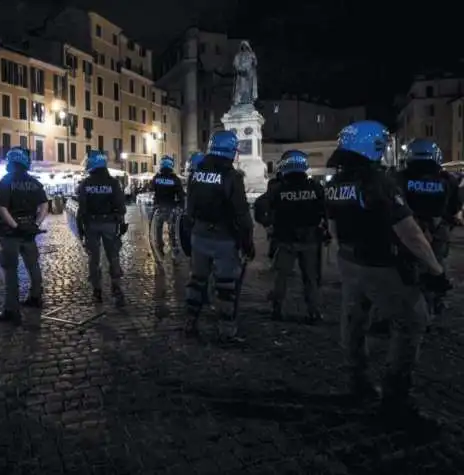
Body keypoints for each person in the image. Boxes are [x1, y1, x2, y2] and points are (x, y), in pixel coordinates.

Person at [325, 120, 451, 421]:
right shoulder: (377, 182)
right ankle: (395, 396)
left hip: (348, 260)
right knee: (412, 320)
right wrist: (435, 270)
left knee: (354, 321)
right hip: (381, 264)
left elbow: (332, 226)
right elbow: (409, 233)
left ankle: (358, 381)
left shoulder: (335, 183)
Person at [183, 130, 255, 340]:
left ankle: (190, 322)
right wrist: (248, 243)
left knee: (196, 281)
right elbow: (241, 214)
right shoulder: (232, 177)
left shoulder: (196, 173)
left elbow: (190, 209)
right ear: (230, 151)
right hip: (224, 239)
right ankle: (226, 330)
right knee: (226, 285)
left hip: (199, 235)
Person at [394, 139, 461, 325]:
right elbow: (455, 206)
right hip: (438, 232)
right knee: (436, 265)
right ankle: (435, 304)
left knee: (409, 268)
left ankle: (415, 309)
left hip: (408, 230)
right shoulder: (448, 180)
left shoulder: (400, 178)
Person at [263, 150, 326, 323]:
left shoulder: (278, 189)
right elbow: (326, 210)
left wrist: (269, 225)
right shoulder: (315, 187)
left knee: (281, 276)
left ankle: (277, 309)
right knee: (310, 278)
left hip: (285, 239)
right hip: (310, 239)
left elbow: (262, 209)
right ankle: (314, 311)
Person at [0, 147, 48, 323]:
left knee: (11, 271)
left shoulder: (6, 181)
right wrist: (36, 224)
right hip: (29, 231)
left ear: (11, 162)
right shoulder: (34, 182)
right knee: (33, 266)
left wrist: (15, 226)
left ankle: (11, 310)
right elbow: (45, 205)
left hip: (11, 233)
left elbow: (2, 208)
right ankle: (36, 297)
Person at [76, 150, 127, 305]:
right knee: (113, 256)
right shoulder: (113, 183)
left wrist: (81, 231)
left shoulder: (85, 183)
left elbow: (81, 210)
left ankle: (97, 291)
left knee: (94, 258)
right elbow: (121, 207)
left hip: (91, 225)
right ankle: (116, 287)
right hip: (110, 224)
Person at [151, 156, 185, 255]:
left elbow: (151, 188)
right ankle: (174, 250)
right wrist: (180, 207)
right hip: (171, 208)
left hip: (158, 208)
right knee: (173, 230)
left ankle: (159, 249)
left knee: (157, 230)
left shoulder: (156, 178)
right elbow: (181, 196)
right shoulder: (175, 179)